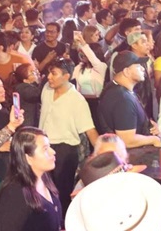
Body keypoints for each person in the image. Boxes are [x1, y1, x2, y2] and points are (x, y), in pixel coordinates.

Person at [39, 58, 98, 215]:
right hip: (43, 148)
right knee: (43, 191)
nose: (48, 77)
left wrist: (102, 152)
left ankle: (63, 221)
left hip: (64, 152)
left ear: (66, 76)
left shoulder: (77, 100)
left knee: (62, 193)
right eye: (49, 73)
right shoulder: (46, 89)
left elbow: (90, 130)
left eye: (53, 73)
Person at [0, 127, 61, 231]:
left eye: (50, 147)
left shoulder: (46, 179)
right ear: (28, 158)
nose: (53, 152)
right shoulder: (14, 193)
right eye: (45, 149)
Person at [97, 51, 161, 148]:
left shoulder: (120, 91)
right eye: (138, 66)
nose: (142, 68)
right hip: (134, 155)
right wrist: (154, 139)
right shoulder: (122, 98)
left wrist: (149, 125)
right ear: (126, 71)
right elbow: (127, 140)